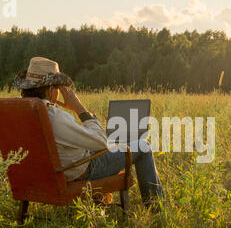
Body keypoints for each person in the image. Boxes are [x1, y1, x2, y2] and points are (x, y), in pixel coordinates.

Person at [13, 57, 164, 207]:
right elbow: (101, 142)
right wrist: (80, 109)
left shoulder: (18, 110)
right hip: (78, 170)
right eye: (59, 88)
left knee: (113, 144)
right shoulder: (53, 116)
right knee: (143, 146)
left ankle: (100, 205)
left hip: (42, 172)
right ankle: (156, 207)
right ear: (52, 90)